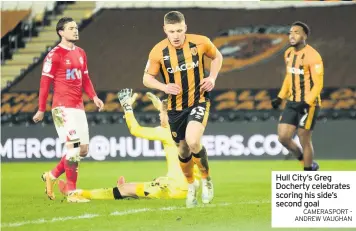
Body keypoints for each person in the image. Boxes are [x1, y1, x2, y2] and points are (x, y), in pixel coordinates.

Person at [142, 11, 223, 208]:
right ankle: (191, 185)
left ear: (185, 28)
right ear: (165, 30)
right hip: (175, 107)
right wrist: (164, 87)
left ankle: (206, 180)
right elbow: (146, 78)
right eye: (171, 31)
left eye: (179, 30)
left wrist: (212, 77)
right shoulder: (157, 51)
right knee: (183, 149)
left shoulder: (201, 42)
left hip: (199, 100)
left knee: (194, 140)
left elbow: (217, 56)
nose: (176, 35)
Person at [57, 90, 200, 201]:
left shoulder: (165, 132)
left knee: (125, 188)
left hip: (175, 190)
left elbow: (135, 130)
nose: (159, 117)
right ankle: (131, 191)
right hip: (188, 187)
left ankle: (78, 193)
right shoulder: (188, 129)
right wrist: (161, 107)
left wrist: (127, 107)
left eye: (161, 114)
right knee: (158, 180)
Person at [32, 17, 104, 202]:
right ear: (60, 32)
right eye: (71, 28)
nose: (75, 30)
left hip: (78, 107)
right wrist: (41, 109)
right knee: (73, 149)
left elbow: (85, 79)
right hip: (62, 108)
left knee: (83, 150)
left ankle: (52, 175)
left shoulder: (81, 52)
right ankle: (71, 191)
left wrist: (94, 97)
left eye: (76, 27)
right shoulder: (54, 55)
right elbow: (44, 84)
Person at [271, 21, 323, 171]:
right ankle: (307, 163)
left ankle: (308, 175)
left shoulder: (313, 56)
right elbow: (289, 77)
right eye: (290, 33)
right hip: (292, 102)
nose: (292, 35)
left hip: (309, 104)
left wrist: (306, 102)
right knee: (283, 137)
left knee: (303, 136)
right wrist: (281, 97)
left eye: (296, 32)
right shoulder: (288, 53)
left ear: (305, 35)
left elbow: (318, 84)